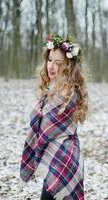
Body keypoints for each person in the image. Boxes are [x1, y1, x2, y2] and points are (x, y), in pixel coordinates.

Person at [20, 33, 89, 200]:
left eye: (58, 63)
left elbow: (47, 129)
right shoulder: (51, 89)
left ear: (68, 67)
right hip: (54, 156)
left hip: (63, 156)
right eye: (50, 60)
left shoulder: (68, 93)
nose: (51, 66)